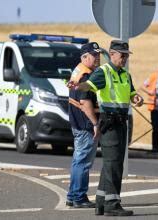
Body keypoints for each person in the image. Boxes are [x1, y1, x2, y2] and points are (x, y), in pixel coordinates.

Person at [76, 40, 144, 216]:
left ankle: (101, 202)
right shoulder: (103, 72)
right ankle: (112, 204)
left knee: (111, 164)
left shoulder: (125, 75)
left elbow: (131, 93)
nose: (125, 59)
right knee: (114, 164)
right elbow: (88, 86)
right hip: (109, 121)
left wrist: (137, 98)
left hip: (121, 122)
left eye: (127, 56)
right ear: (112, 54)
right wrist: (77, 85)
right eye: (123, 55)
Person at [66, 42, 101, 208]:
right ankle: (79, 198)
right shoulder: (86, 76)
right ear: (84, 57)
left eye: (98, 55)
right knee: (83, 162)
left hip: (77, 122)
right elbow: (85, 102)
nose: (98, 58)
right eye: (94, 55)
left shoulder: (78, 71)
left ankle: (72, 196)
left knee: (77, 161)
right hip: (85, 124)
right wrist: (95, 123)